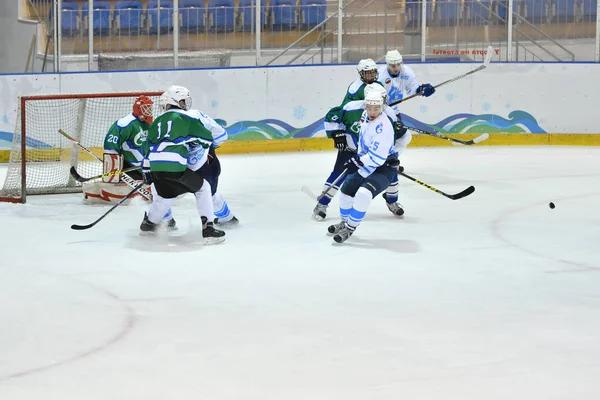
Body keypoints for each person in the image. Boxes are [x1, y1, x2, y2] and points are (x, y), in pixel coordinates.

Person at [139, 85, 225, 244]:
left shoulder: (156, 122)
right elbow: (206, 138)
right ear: (177, 102)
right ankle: (209, 229)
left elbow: (146, 148)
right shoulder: (185, 118)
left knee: (165, 197)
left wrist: (146, 171)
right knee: (203, 188)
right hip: (176, 167)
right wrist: (195, 144)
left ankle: (149, 225)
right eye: (183, 101)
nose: (186, 104)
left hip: (155, 168)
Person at [312, 83, 401, 220]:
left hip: (372, 154)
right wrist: (337, 134)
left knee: (391, 177)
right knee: (339, 174)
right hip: (351, 149)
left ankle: (392, 201)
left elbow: (389, 137)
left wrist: (390, 154)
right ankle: (322, 203)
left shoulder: (389, 114)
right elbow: (331, 117)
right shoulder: (351, 107)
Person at [327, 89, 399, 244]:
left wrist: (358, 162)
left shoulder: (384, 126)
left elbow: (377, 158)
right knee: (345, 191)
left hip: (384, 166)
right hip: (367, 161)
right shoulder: (365, 116)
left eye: (376, 108)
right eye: (369, 107)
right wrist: (357, 157)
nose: (372, 112)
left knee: (363, 194)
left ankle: (350, 227)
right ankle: (344, 222)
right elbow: (364, 142)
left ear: (382, 106)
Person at [376, 49, 437, 216]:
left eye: (397, 64)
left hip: (394, 113)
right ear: (387, 64)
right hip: (381, 114)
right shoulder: (381, 76)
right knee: (395, 140)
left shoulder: (406, 72)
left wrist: (423, 89)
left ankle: (390, 159)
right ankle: (387, 162)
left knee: (404, 137)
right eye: (392, 65)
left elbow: (413, 89)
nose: (395, 67)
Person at [82, 95, 160, 206]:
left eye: (150, 108)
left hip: (144, 166)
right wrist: (114, 167)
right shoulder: (125, 123)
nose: (149, 111)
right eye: (146, 108)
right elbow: (111, 144)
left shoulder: (149, 124)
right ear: (138, 109)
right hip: (129, 167)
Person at [187, 110, 239, 227]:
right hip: (206, 164)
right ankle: (227, 218)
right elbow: (221, 135)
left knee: (164, 194)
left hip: (181, 165)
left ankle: (161, 221)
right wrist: (207, 148)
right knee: (209, 194)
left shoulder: (163, 119)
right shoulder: (196, 114)